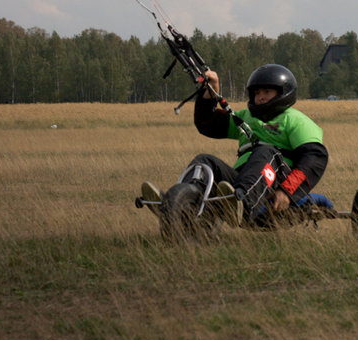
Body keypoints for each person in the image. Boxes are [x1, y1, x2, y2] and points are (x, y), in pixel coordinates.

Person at [141, 64, 328, 228]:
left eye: (267, 92)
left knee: (265, 152)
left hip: (276, 183)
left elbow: (314, 160)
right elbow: (208, 123)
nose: (261, 97)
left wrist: (286, 192)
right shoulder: (245, 117)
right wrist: (211, 89)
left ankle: (242, 202)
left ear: (283, 93)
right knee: (205, 162)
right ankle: (179, 205)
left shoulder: (296, 121)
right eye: (257, 93)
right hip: (241, 181)